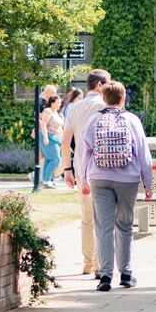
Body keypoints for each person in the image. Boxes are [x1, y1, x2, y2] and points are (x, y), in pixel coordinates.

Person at [77, 81, 153, 291]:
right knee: (125, 225)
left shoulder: (94, 119)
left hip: (99, 177)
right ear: (123, 98)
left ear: (104, 98)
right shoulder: (132, 120)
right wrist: (148, 183)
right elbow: (143, 153)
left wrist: (84, 178)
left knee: (103, 226)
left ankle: (105, 277)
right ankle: (126, 274)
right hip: (127, 179)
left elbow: (85, 152)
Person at [62, 69, 112, 275]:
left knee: (87, 217)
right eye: (108, 83)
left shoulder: (74, 108)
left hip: (82, 168)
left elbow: (65, 142)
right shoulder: (106, 106)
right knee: (105, 217)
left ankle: (88, 262)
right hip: (104, 168)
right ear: (100, 85)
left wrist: (67, 169)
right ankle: (102, 262)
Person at [37, 87, 65, 187]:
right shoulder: (48, 111)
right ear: (53, 103)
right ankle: (46, 180)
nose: (60, 104)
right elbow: (43, 124)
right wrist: (45, 138)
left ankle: (45, 180)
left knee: (49, 159)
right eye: (58, 102)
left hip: (56, 139)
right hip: (49, 137)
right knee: (56, 159)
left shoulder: (55, 112)